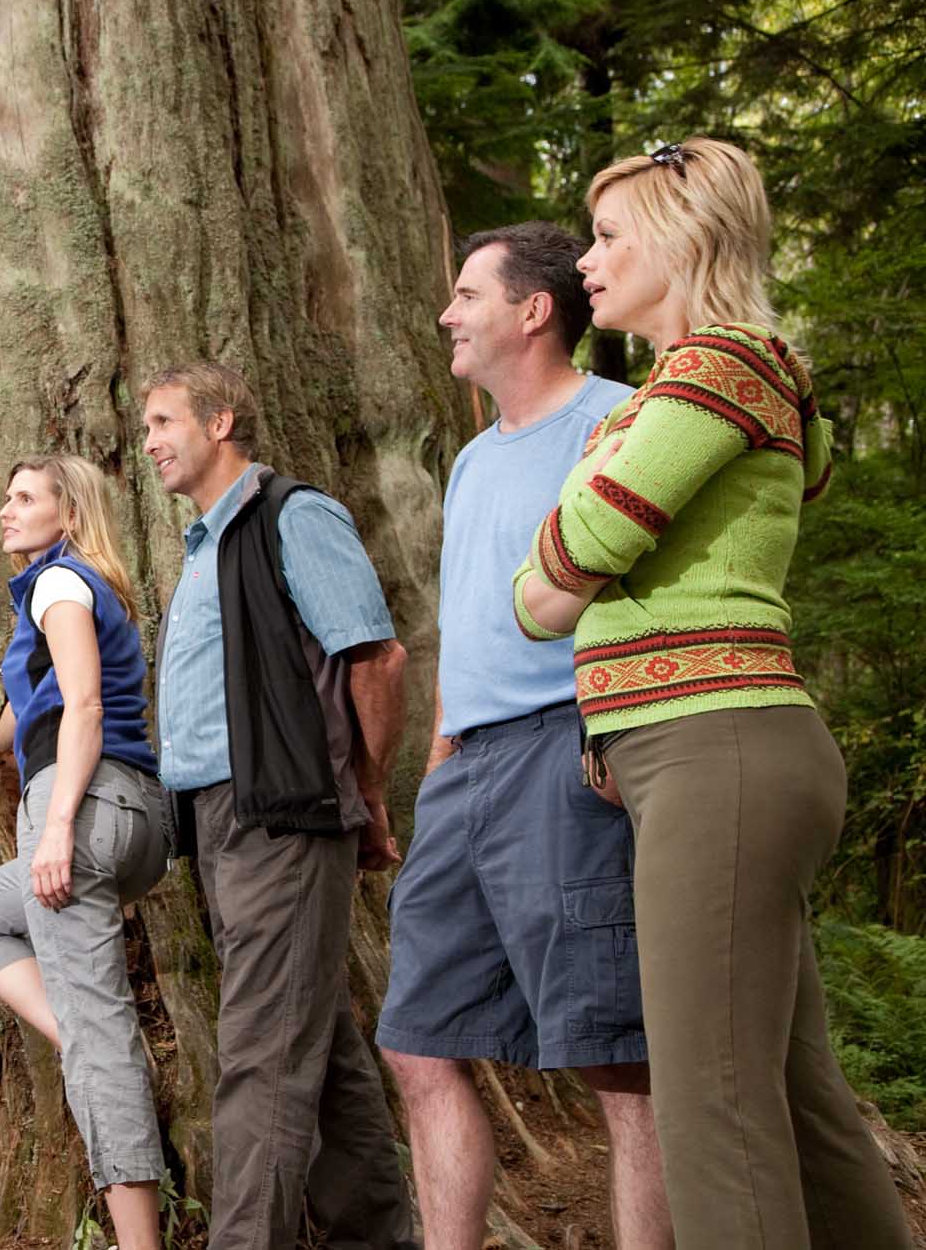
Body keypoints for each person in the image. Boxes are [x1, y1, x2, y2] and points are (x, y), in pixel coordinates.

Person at [514, 137, 912, 1247]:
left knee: (712, 1107)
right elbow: (544, 595)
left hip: (713, 748)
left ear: (681, 241)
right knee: (794, 1099)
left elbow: (569, 559)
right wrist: (561, 566)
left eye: (606, 236)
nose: (584, 261)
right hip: (717, 755)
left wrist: (569, 538)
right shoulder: (700, 381)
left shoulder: (713, 370)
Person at [376, 223, 671, 1250]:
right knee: (417, 1042)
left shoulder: (621, 422)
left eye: (467, 295)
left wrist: (611, 732)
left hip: (567, 754)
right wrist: (438, 754)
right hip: (465, 770)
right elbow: (465, 620)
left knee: (617, 1058)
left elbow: (654, 597)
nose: (447, 315)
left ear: (532, 310)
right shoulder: (469, 461)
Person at [141, 363, 415, 1250]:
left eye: (163, 422)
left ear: (220, 422)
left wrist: (366, 789)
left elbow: (377, 659)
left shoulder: (292, 516)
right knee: (313, 1041)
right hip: (217, 823)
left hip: (283, 817)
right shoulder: (202, 548)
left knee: (262, 1052)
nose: (149, 443)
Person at [0, 453, 171, 1250]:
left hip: (82, 804)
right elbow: (38, 695)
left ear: (67, 515)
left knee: (100, 1042)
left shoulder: (58, 583)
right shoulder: (77, 586)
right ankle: (86, 1032)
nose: (6, 510)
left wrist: (61, 822)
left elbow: (84, 704)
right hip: (137, 819)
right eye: (6, 497)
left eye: (24, 498)